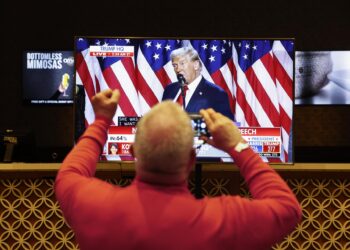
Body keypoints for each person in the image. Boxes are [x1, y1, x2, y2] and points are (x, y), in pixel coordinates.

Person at [55, 89, 301, 250]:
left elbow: (69, 173)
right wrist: (238, 146)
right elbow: (287, 208)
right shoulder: (222, 221)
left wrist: (101, 121)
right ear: (191, 160)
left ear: (133, 152)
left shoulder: (94, 205)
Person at [162, 46, 235, 121]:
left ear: (196, 65)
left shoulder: (216, 93)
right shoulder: (169, 90)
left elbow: (227, 127)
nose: (178, 69)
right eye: (175, 65)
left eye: (182, 63)